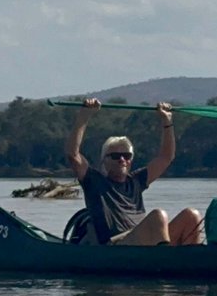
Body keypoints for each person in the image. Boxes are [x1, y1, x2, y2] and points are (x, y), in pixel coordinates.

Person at [64, 98, 203, 246]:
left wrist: (167, 122)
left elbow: (166, 157)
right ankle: (165, 259)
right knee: (158, 216)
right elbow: (73, 154)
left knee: (191, 215)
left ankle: (191, 260)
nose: (122, 159)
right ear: (104, 160)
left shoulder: (136, 181)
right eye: (115, 156)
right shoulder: (95, 181)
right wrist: (84, 116)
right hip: (116, 245)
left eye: (127, 156)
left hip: (144, 241)